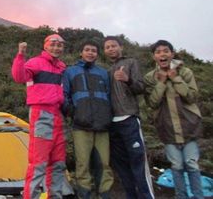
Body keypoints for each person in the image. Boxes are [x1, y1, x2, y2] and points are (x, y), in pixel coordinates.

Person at [144, 40, 204, 199]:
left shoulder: (185, 72)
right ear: (154, 56)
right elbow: (152, 102)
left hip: (189, 125)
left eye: (166, 51)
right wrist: (162, 82)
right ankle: (181, 196)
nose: (162, 54)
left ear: (172, 53)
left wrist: (175, 78)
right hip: (167, 127)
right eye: (158, 52)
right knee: (176, 166)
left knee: (192, 164)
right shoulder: (150, 77)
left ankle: (198, 196)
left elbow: (192, 97)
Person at [12, 34, 67, 199]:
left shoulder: (62, 67)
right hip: (41, 114)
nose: (56, 48)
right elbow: (19, 77)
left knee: (58, 163)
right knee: (39, 163)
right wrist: (20, 55)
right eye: (53, 44)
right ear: (46, 46)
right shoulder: (35, 62)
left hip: (58, 115)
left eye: (60, 45)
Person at [103, 36, 155, 199]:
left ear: (121, 47)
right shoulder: (106, 71)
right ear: (104, 51)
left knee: (138, 163)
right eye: (107, 47)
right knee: (122, 167)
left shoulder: (131, 62)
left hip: (129, 119)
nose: (111, 49)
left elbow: (141, 87)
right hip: (112, 124)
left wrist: (128, 80)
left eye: (114, 46)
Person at [62, 40, 113, 199]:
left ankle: (104, 195)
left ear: (97, 54)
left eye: (94, 50)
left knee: (104, 164)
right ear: (81, 53)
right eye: (87, 50)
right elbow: (64, 95)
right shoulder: (70, 71)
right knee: (82, 164)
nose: (90, 53)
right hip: (81, 126)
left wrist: (108, 115)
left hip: (102, 125)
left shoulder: (103, 73)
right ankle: (85, 195)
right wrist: (73, 112)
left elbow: (109, 96)